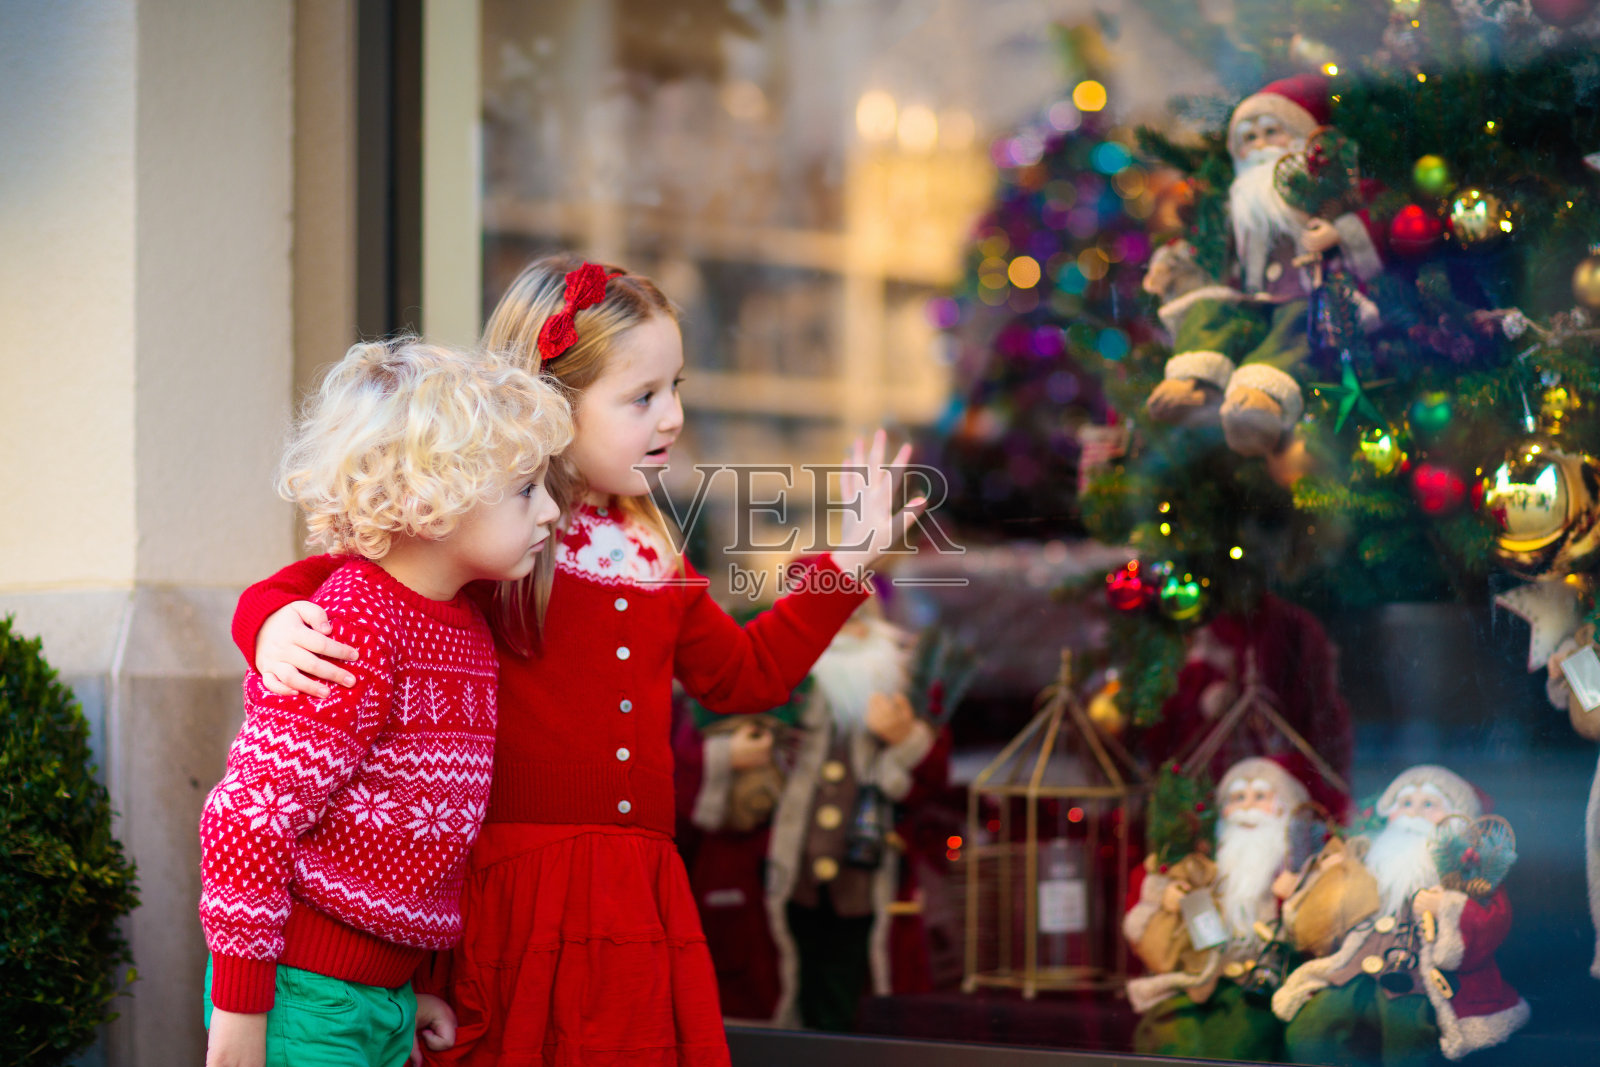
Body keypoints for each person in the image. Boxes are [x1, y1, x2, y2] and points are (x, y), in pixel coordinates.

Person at [227, 255, 925, 1065]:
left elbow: (744, 676)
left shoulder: (652, 546)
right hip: (516, 897)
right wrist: (270, 620)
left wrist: (845, 565)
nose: (671, 417)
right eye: (642, 397)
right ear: (553, 404)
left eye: (677, 389)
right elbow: (335, 578)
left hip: (634, 897)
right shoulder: (495, 528)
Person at [199, 339, 572, 1067]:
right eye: (527, 488)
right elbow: (246, 818)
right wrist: (241, 1012)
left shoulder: (464, 621)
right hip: (298, 995)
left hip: (375, 997)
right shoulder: (359, 623)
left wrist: (400, 990)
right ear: (430, 502)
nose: (552, 510)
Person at [680, 604, 950, 1029]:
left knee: (854, 1008)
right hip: (770, 881)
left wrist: (907, 740)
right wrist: (725, 757)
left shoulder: (902, 684)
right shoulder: (761, 676)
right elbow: (680, 765)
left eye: (855, 619)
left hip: (865, 886)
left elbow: (935, 786)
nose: (844, 630)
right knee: (775, 1000)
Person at [1273, 765, 1529, 1066]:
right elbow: (1321, 923)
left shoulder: (1469, 872)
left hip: (1419, 980)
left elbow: (1491, 920)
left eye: (1429, 805)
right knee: (1311, 1031)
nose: (1413, 813)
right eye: (1405, 803)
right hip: (1354, 971)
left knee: (1407, 1038)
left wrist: (1446, 907)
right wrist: (1332, 880)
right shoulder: (1367, 859)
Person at [1123, 757, 1310, 1061]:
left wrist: (1296, 894)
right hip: (1203, 977)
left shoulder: (1293, 867)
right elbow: (1148, 897)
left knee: (1241, 1039)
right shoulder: (1206, 866)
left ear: (1282, 807)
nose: (1247, 807)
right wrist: (1165, 896)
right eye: (1238, 797)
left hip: (1263, 983)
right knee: (1166, 1034)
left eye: (1260, 796)